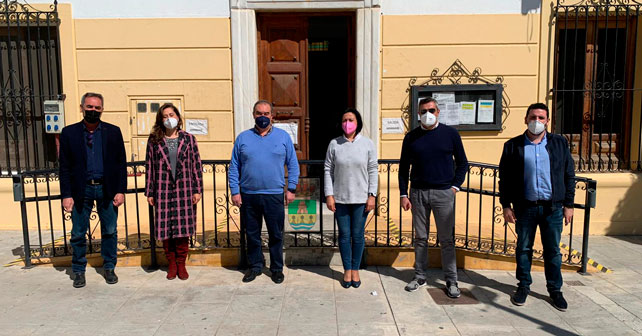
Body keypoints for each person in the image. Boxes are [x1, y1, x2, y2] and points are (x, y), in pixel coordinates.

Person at [499, 103, 575, 311]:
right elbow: (504, 179)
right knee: (524, 248)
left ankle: (555, 290)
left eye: (541, 118)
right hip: (525, 208)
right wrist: (506, 205)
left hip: (553, 208)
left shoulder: (559, 143)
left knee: (553, 250)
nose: (537, 121)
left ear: (548, 121)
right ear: (525, 119)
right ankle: (523, 286)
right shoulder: (513, 145)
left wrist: (568, 204)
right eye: (533, 117)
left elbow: (569, 174)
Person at [399, 97, 468, 297]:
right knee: (420, 238)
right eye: (423, 111)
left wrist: (454, 187)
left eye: (431, 110)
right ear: (418, 114)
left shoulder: (451, 134)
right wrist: (404, 194)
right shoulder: (411, 137)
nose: (427, 114)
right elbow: (404, 169)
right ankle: (419, 276)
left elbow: (462, 163)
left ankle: (451, 280)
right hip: (418, 193)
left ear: (438, 112)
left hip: (443, 193)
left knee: (446, 239)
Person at [59, 92, 127, 288]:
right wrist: (66, 194)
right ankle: (79, 270)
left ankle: (109, 267)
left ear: (102, 110)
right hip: (82, 190)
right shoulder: (69, 133)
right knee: (78, 233)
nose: (93, 111)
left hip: (107, 189)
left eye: (97, 108)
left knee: (110, 230)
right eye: (89, 107)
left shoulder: (113, 132)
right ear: (81, 108)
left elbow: (121, 164)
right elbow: (64, 167)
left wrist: (121, 190)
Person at [229, 100, 300, 284]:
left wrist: (291, 188)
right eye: (259, 113)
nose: (263, 117)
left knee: (276, 234)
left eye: (266, 113)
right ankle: (255, 266)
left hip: (274, 194)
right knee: (252, 233)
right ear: (254, 115)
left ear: (272, 116)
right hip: (248, 195)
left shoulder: (283, 137)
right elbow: (234, 166)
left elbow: (293, 164)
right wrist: (235, 191)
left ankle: (276, 268)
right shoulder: (243, 138)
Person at [145, 103, 203, 281]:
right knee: (165, 229)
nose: (168, 118)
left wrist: (197, 189)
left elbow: (196, 165)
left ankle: (181, 263)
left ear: (178, 117)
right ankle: (171, 263)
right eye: (164, 116)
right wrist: (150, 192)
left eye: (171, 114)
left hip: (184, 189)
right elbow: (149, 167)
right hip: (162, 189)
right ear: (160, 120)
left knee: (183, 230)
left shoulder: (189, 139)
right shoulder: (154, 140)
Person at [324, 108, 378, 289]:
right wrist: (329, 195)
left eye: (351, 119)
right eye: (344, 120)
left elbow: (372, 170)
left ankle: (356, 269)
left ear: (358, 122)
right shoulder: (334, 144)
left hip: (361, 198)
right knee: (345, 236)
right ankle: (347, 269)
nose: (347, 123)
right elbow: (328, 170)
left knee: (358, 235)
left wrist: (372, 195)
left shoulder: (368, 144)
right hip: (340, 198)